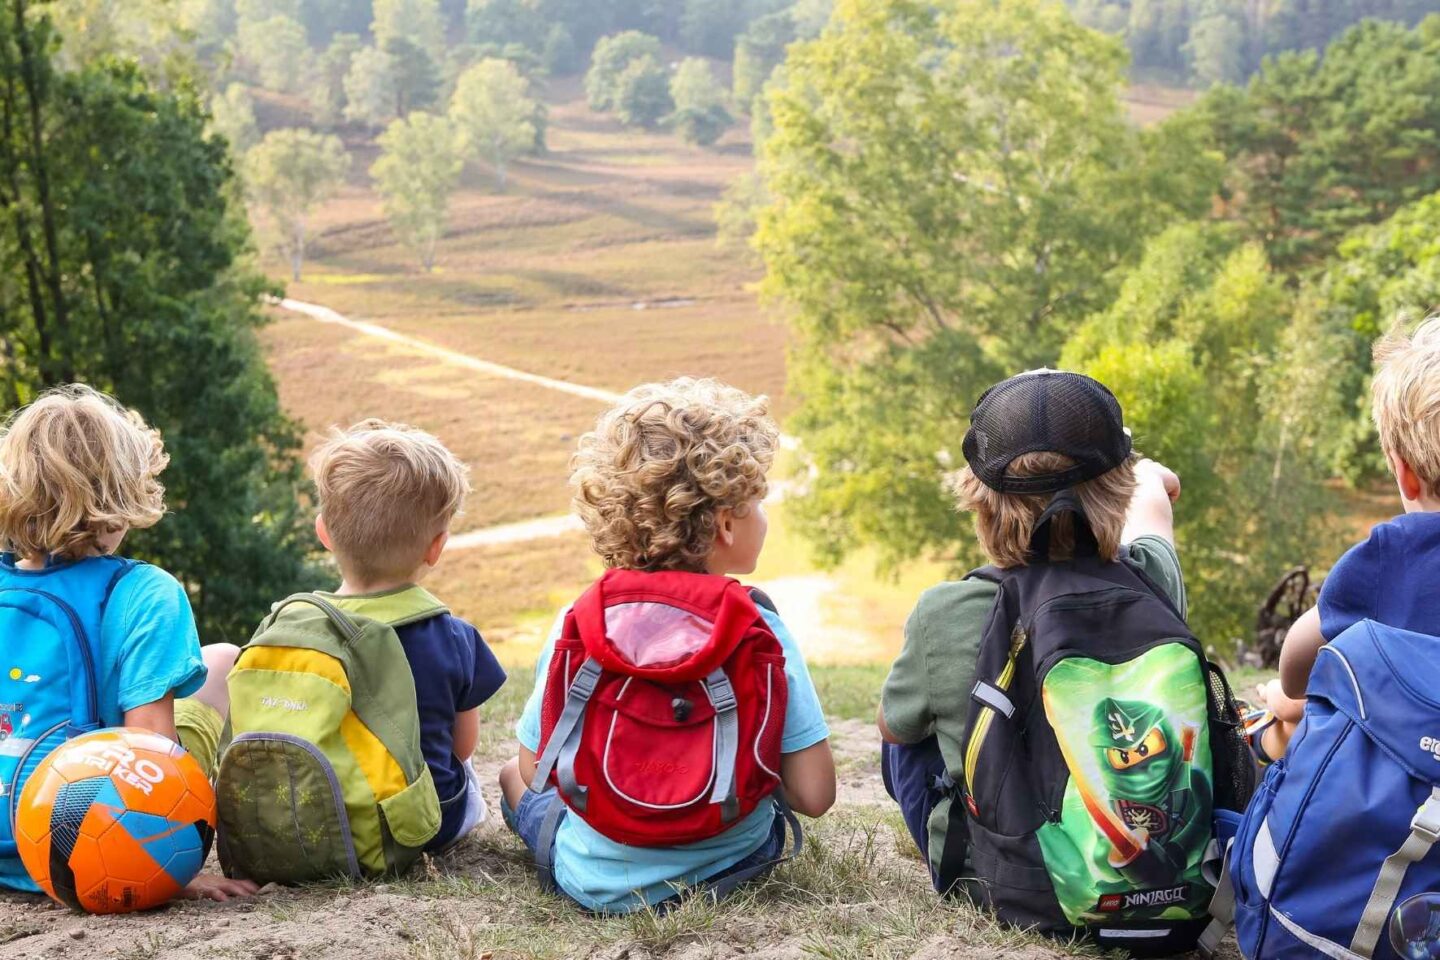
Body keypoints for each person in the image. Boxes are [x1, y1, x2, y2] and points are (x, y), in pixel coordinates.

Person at [499, 377, 835, 913]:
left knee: (508, 778)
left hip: (590, 880)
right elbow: (814, 796)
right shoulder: (760, 628)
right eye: (759, 502)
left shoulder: (580, 619)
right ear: (727, 524)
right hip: (731, 866)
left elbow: (537, 767)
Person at [877, 370, 1187, 896]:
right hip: (1156, 878)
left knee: (906, 739)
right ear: (1121, 488)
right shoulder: (1151, 579)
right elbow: (1161, 492)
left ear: (977, 500)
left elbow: (893, 729)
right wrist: (1141, 472)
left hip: (1005, 884)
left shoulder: (942, 610)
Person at [0, 385, 253, 900]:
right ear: (120, 498)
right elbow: (148, 751)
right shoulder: (145, 592)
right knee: (223, 661)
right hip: (76, 853)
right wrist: (172, 872)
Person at [307, 420, 506, 852]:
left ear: (324, 533)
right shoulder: (454, 636)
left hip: (320, 821)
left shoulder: (300, 627)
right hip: (420, 828)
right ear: (436, 547)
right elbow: (463, 744)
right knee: (465, 776)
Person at [1256, 318, 1440, 759]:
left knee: (1276, 734)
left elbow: (1295, 666)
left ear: (1404, 474)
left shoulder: (1391, 557)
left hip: (1412, 789)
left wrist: (1287, 702)